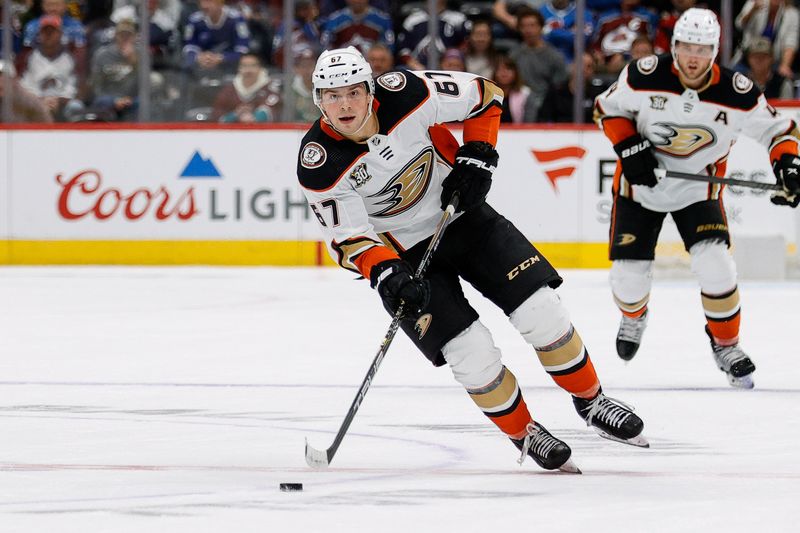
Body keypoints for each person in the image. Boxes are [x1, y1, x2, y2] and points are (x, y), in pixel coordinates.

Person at [297, 46, 647, 472]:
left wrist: (478, 153)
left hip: (463, 218)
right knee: (471, 354)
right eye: (332, 96)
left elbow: (485, 93)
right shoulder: (318, 162)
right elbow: (351, 239)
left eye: (353, 92)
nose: (345, 105)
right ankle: (525, 433)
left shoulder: (407, 91)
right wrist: (386, 273)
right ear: (318, 100)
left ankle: (593, 402)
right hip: (405, 258)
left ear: (371, 89)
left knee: (543, 312)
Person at [593, 8, 800, 389]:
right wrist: (629, 147)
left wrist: (789, 167)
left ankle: (726, 345)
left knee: (717, 265)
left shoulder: (737, 92)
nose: (693, 57)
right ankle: (635, 314)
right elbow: (606, 108)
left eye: (702, 49)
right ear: (673, 46)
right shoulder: (644, 74)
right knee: (628, 282)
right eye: (686, 47)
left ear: (715, 50)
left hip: (697, 190)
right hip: (638, 188)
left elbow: (780, 131)